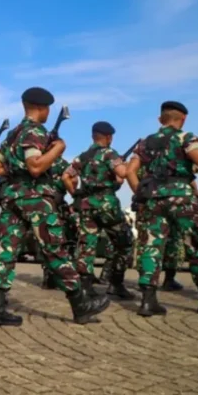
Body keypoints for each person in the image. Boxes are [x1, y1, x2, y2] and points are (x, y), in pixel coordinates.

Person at [0, 87, 110, 326]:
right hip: (35, 199)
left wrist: (14, 171)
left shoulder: (13, 134)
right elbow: (35, 166)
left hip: (12, 199)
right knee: (55, 249)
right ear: (42, 108)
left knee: (6, 251)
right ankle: (80, 303)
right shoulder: (35, 132)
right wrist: (58, 149)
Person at [126, 101, 198, 315]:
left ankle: (148, 302)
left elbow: (130, 171)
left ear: (160, 119)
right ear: (183, 119)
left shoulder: (145, 143)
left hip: (152, 199)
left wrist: (143, 192)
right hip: (181, 197)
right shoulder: (185, 137)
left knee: (151, 247)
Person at [62, 121, 135, 300]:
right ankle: (116, 284)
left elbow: (66, 176)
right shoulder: (109, 153)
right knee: (125, 242)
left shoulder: (82, 157)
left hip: (86, 205)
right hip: (106, 205)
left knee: (87, 246)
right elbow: (122, 173)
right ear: (109, 137)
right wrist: (126, 166)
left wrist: (75, 193)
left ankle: (85, 288)